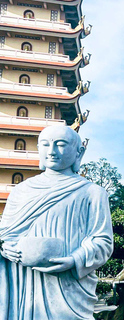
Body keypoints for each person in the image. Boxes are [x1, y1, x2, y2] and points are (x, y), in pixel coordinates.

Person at [0, 126, 114, 320]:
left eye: (60, 144)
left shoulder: (92, 193)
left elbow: (103, 242)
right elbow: (5, 234)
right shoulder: (21, 191)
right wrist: (5, 247)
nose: (51, 151)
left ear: (79, 152)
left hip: (68, 287)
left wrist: (74, 260)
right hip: (25, 284)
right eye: (45, 145)